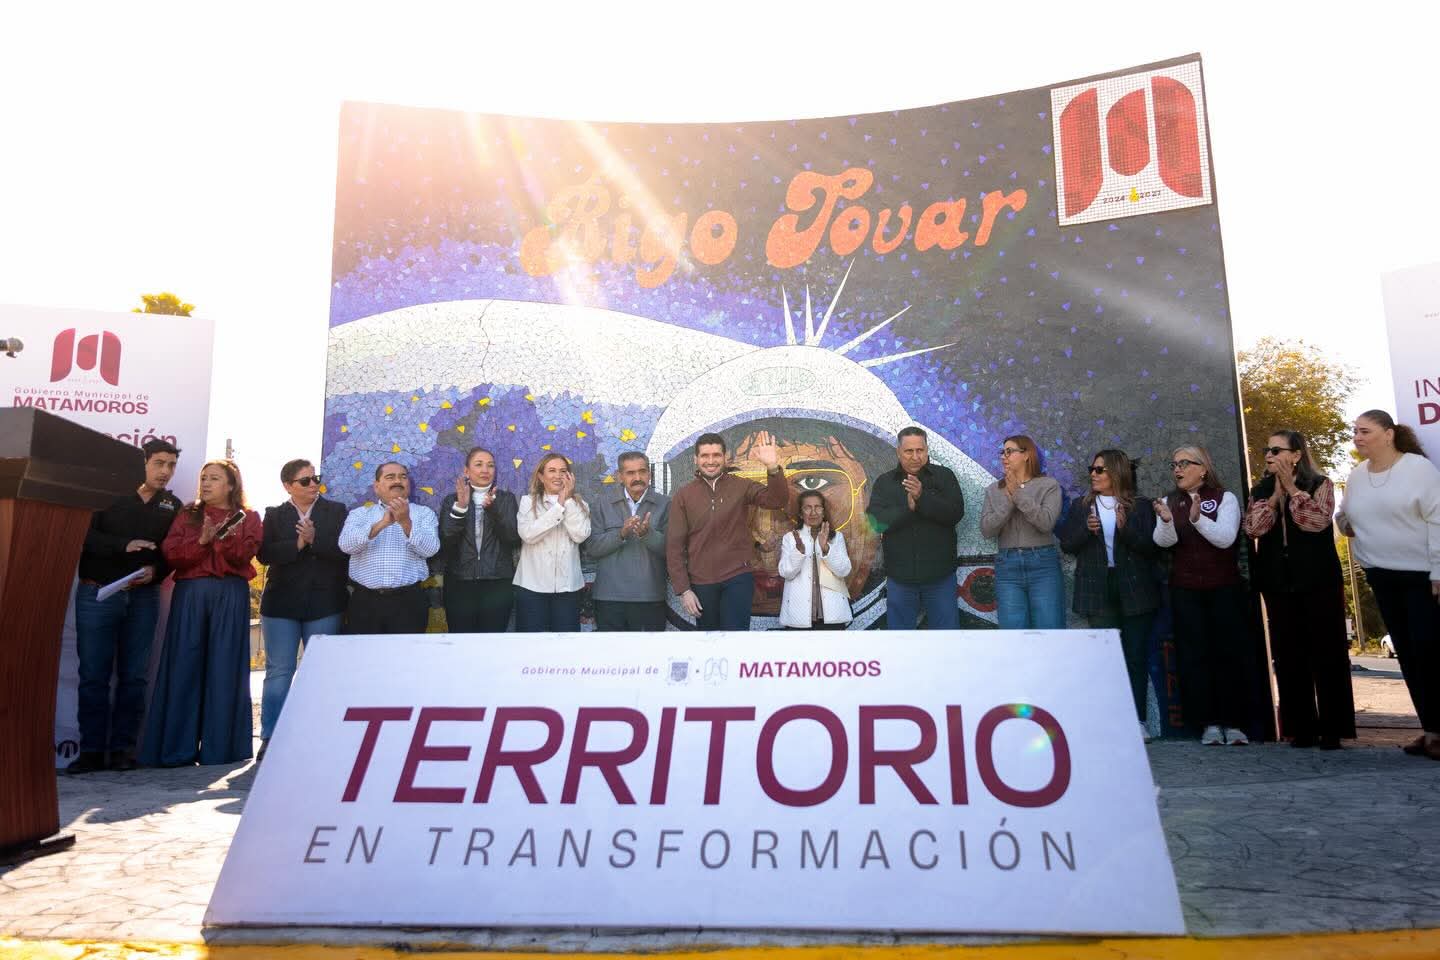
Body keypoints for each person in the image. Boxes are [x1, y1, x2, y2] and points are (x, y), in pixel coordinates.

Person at [68, 438, 183, 773]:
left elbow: (173, 553)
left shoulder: (172, 505)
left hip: (144, 598)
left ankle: (123, 750)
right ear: (141, 462)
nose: (165, 471)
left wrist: (156, 572)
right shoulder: (106, 493)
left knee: (134, 677)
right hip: (98, 594)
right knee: (93, 676)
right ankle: (91, 752)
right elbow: (82, 534)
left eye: (171, 465)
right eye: (159, 463)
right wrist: (124, 545)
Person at [139, 460, 262, 767]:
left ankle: (220, 751)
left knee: (225, 668)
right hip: (191, 594)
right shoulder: (187, 514)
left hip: (230, 594)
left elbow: (244, 556)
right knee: (184, 666)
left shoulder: (248, 517)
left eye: (214, 478)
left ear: (231, 485)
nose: (206, 483)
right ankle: (176, 750)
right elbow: (172, 555)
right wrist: (202, 541)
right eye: (203, 478)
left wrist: (220, 540)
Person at [1337, 410, 1440, 760]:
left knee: (1429, 653)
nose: (1357, 437)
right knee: (1408, 655)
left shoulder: (1418, 469)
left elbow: (1438, 519)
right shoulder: (1356, 475)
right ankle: (1430, 730)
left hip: (1422, 577)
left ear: (1389, 434)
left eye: (1365, 431)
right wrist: (1346, 524)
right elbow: (1345, 517)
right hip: (1381, 575)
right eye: (1355, 431)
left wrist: (1438, 571)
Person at [1244, 431, 1355, 749]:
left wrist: (1292, 491)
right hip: (1277, 583)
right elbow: (1253, 528)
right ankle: (1301, 727)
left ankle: (1333, 728)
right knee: (1289, 655)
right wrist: (1275, 498)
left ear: (1296, 455)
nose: (1269, 455)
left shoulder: (1320, 484)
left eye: (1276, 450)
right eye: (1266, 450)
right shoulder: (1260, 490)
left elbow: (1316, 522)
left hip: (1318, 580)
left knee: (1327, 653)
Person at [1153, 445, 1251, 746]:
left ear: (1203, 469)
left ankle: (1234, 723)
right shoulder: (1170, 501)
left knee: (1227, 654)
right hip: (1185, 590)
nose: (1177, 469)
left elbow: (1225, 539)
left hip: (1224, 588)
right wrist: (1166, 521)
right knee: (1193, 657)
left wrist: (1198, 519)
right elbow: (1163, 542)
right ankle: (1208, 724)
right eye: (1174, 464)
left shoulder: (1225, 498)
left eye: (1185, 463)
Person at [1059, 449, 1162, 737]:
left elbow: (1151, 548)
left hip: (1134, 586)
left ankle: (1138, 721)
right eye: (1091, 469)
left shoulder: (1140, 506)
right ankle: (1110, 722)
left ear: (1117, 472)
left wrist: (1125, 530)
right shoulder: (1082, 506)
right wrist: (1086, 531)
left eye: (1099, 470)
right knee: (1105, 657)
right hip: (1098, 587)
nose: (1093, 474)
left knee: (1135, 657)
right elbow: (1067, 544)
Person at [256, 459, 348, 760]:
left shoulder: (335, 511)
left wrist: (314, 540)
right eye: (305, 481)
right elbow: (264, 553)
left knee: (320, 672)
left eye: (315, 478)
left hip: (324, 603)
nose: (313, 485)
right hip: (281, 604)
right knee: (279, 671)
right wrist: (297, 544)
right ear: (288, 486)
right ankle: (271, 737)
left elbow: (344, 550)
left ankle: (318, 736)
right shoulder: (274, 514)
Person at [666, 431, 788, 629]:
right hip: (701, 582)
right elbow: (674, 547)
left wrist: (773, 467)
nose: (710, 461)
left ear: (725, 457)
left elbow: (777, 500)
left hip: (737, 578)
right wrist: (684, 590)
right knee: (708, 641)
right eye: (705, 456)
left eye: (716, 455)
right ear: (696, 459)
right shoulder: (684, 495)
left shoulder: (741, 486)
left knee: (736, 640)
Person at [865, 426, 966, 629]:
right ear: (898, 452)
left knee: (947, 639)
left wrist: (923, 498)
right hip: (900, 578)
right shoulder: (885, 482)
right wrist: (907, 508)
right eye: (909, 451)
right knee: (900, 640)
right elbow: (875, 522)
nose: (915, 457)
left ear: (927, 450)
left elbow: (955, 514)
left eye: (920, 450)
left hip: (940, 576)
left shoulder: (944, 476)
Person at [338, 462, 441, 634]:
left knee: (406, 651)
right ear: (376, 486)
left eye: (403, 477)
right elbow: (346, 546)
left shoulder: (424, 513)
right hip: (365, 602)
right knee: (365, 651)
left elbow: (431, 550)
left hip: (408, 602)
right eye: (390, 477)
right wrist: (381, 524)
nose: (397, 481)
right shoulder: (359, 514)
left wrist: (406, 522)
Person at [980, 435, 1065, 629]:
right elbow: (986, 529)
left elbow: (1046, 523)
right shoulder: (994, 490)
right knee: (1013, 632)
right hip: (1007, 566)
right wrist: (1009, 501)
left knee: (1049, 628)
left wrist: (1018, 494)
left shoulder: (1048, 485)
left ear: (1027, 455)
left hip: (1043, 564)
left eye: (1009, 452)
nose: (1004, 457)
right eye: (1002, 452)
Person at [437, 446, 521, 633]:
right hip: (460, 581)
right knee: (462, 640)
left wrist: (493, 510)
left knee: (492, 640)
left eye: (490, 465)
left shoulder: (506, 499)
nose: (485, 470)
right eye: (479, 464)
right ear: (466, 471)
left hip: (498, 581)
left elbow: (513, 538)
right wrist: (461, 507)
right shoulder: (452, 500)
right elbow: (446, 542)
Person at [585, 451, 669, 631]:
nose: (637, 478)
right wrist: (621, 534)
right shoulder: (602, 504)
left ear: (649, 474)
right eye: (630, 473)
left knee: (649, 650)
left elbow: (672, 551)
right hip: (609, 598)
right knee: (611, 650)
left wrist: (647, 535)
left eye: (642, 471)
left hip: (649, 597)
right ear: (619, 476)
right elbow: (592, 548)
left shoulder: (665, 504)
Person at [515, 453, 591, 632]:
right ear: (541, 477)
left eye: (563, 471)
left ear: (569, 476)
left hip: (568, 589)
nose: (558, 475)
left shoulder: (580, 505)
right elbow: (528, 535)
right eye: (552, 470)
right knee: (531, 642)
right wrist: (559, 507)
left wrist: (568, 501)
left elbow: (580, 535)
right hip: (532, 587)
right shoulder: (528, 502)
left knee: (566, 643)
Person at [778, 490, 853, 629]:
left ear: (823, 512)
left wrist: (826, 548)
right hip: (798, 616)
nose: (813, 512)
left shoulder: (836, 537)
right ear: (801, 514)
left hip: (833, 615)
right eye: (807, 508)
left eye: (818, 507)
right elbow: (786, 573)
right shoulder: (790, 538)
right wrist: (799, 552)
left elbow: (844, 571)